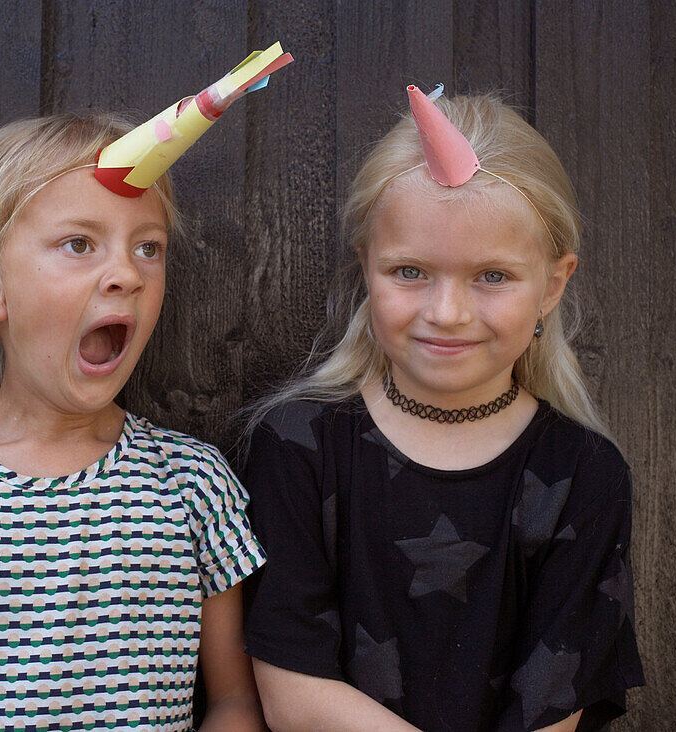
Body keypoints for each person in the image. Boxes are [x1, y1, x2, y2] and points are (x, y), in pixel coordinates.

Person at [0, 38, 293, 729]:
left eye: (148, 247)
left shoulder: (195, 485)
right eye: (79, 244)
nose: (126, 273)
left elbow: (230, 701)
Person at [242, 86, 645, 732]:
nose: (447, 312)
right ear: (366, 265)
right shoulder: (298, 447)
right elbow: (295, 696)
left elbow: (550, 710)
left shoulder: (585, 476)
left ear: (553, 282)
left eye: (492, 276)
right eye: (409, 272)